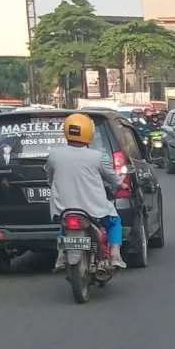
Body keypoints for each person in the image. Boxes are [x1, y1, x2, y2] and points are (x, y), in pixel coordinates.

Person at [46, 114, 125, 269]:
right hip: (94, 209)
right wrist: (121, 183)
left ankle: (61, 255)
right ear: (89, 133)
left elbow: (49, 178)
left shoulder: (54, 155)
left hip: (63, 207)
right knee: (115, 221)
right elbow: (113, 178)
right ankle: (115, 254)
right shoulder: (97, 156)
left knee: (64, 225)